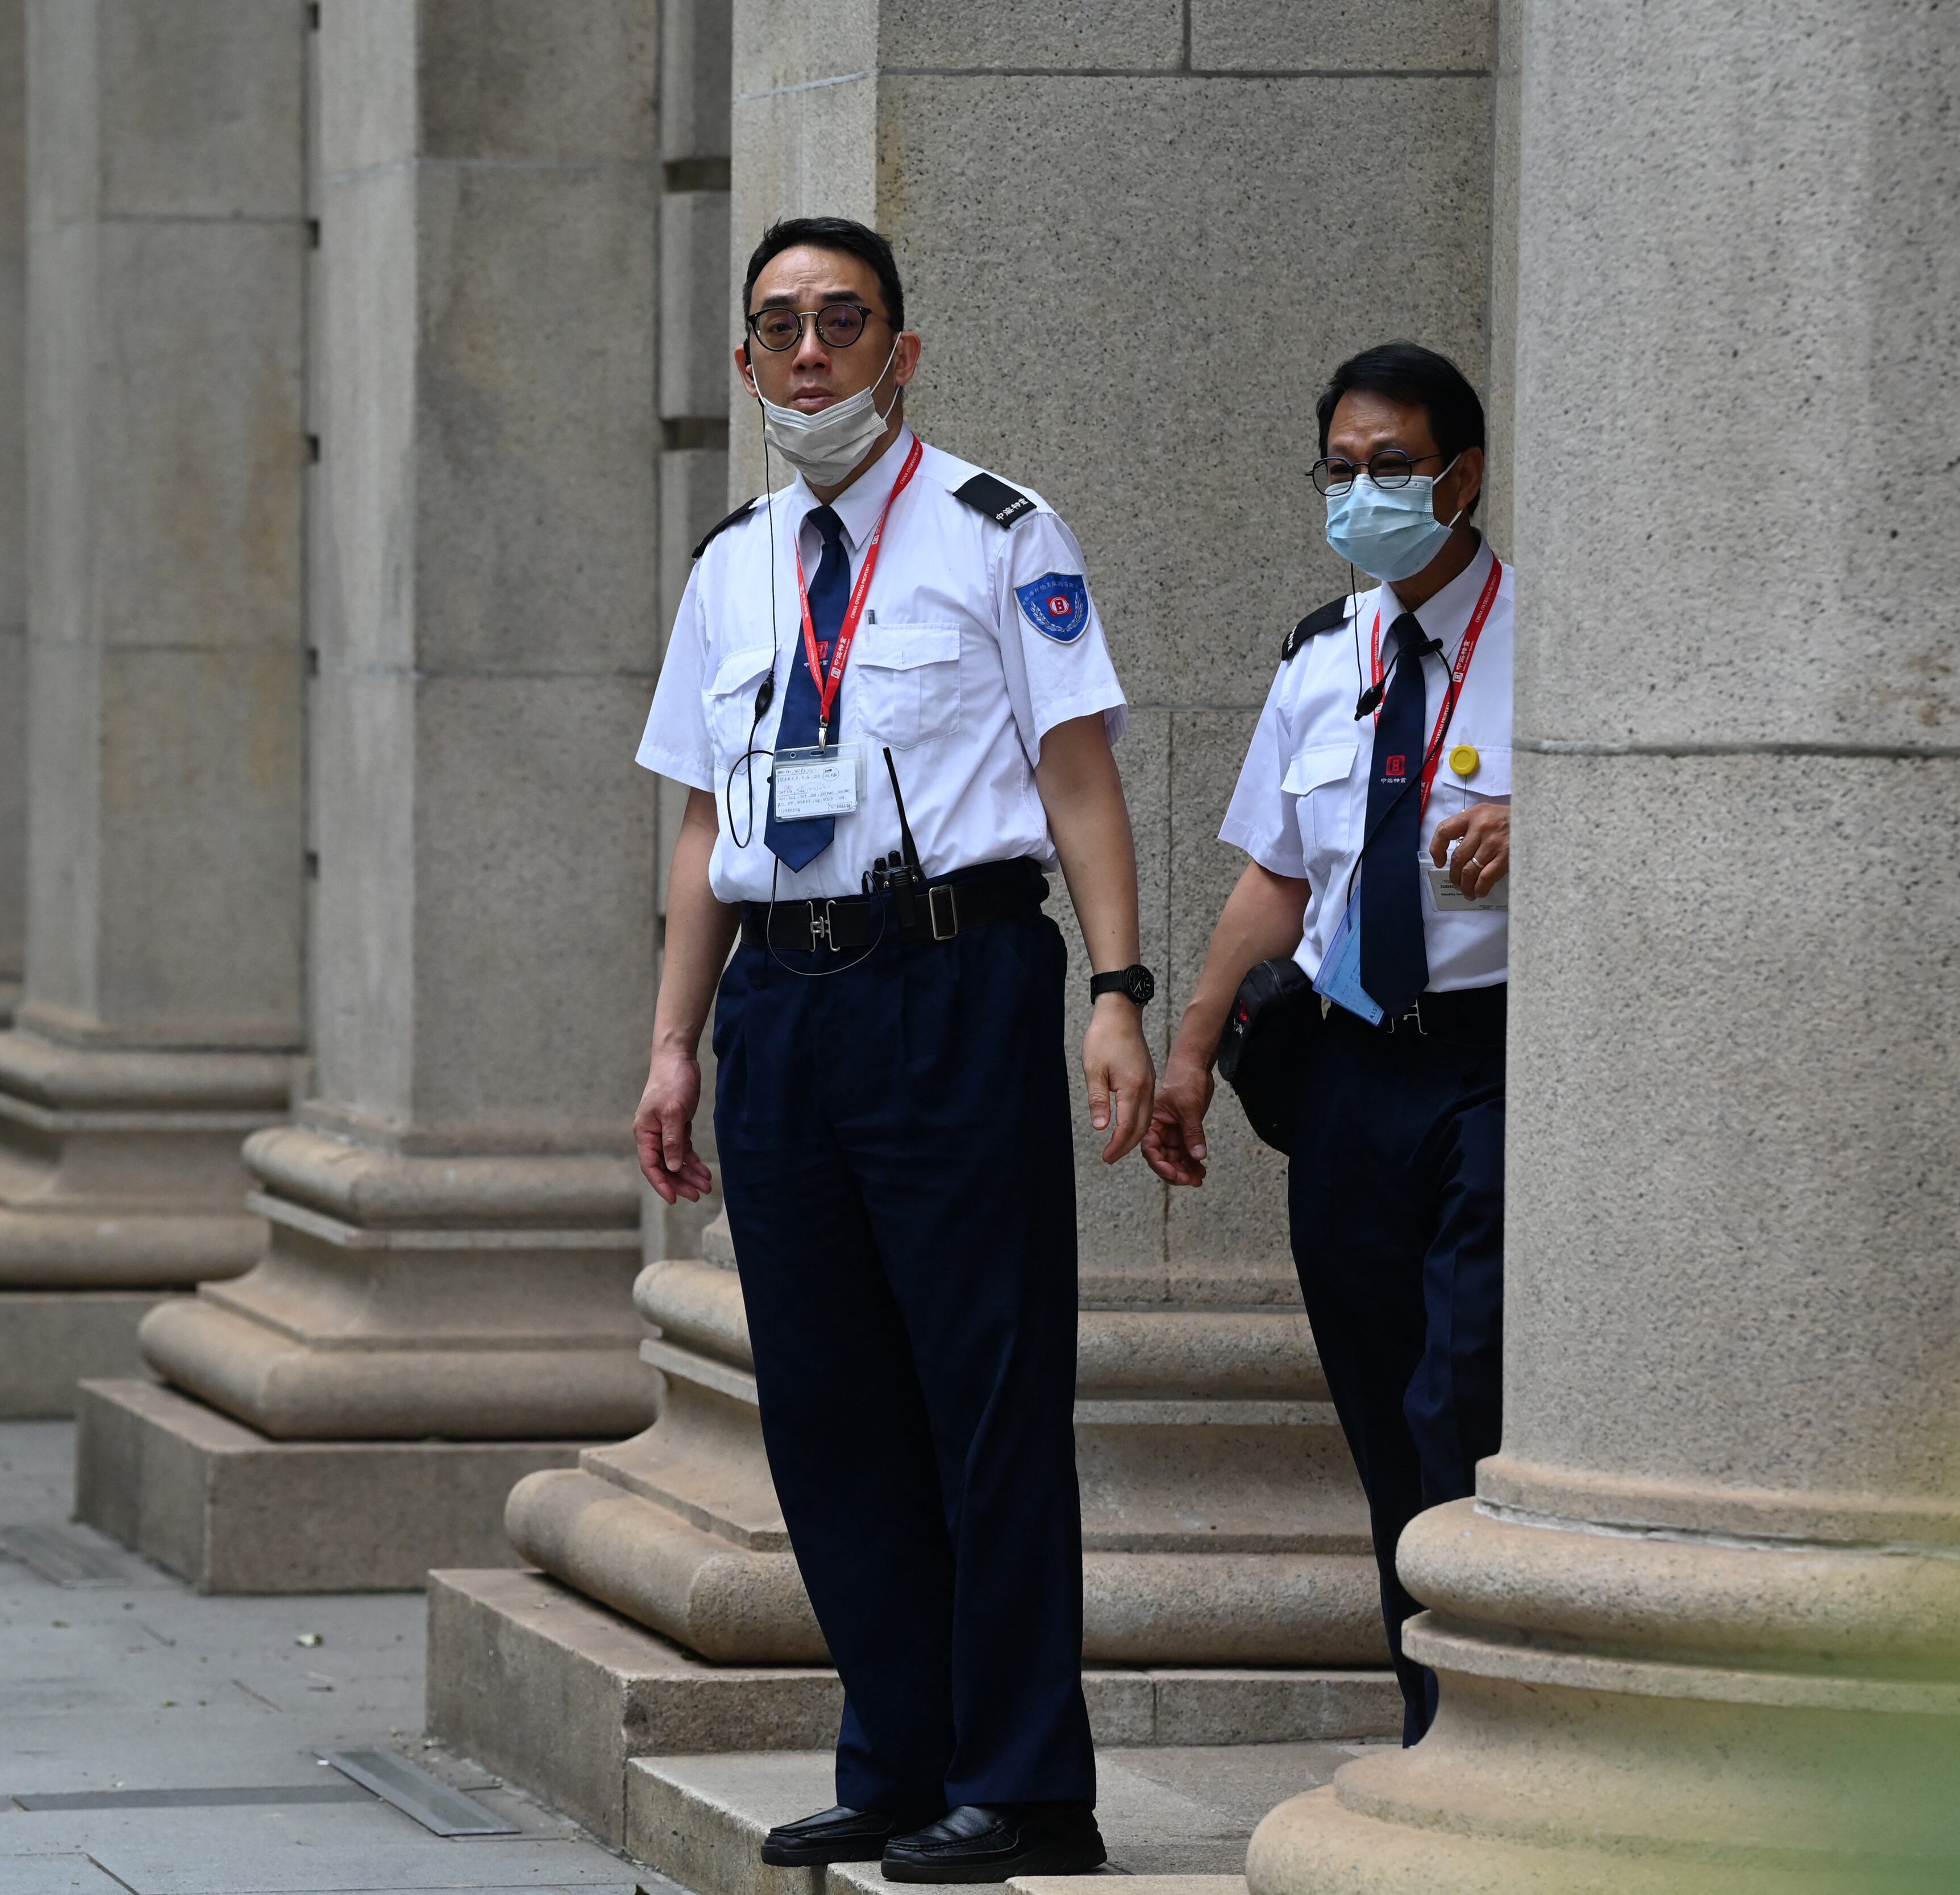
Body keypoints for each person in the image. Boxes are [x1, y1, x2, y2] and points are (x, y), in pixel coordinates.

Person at [631, 216, 1156, 1882]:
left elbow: (1078, 778)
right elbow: (707, 816)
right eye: (779, 327)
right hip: (781, 1006)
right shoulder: (733, 565)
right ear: (744, 361)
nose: (810, 356)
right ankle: (896, 1753)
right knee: (827, 1395)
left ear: (901, 352)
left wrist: (1120, 987)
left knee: (985, 1391)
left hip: (952, 977)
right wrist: (672, 1044)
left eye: (843, 324)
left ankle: (1024, 1782)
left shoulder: (1000, 533)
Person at [1142, 342, 1511, 1746]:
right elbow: (1275, 878)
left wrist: (1537, 827)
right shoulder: (1321, 654)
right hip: (1351, 1068)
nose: (1364, 494)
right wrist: (1187, 1052)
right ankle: (1430, 1719)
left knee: (1456, 1390)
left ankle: (1497, 1698)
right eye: (1341, 471)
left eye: (1394, 469)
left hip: (1491, 1061)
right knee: (1375, 1404)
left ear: (1462, 477)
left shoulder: (1553, 635)